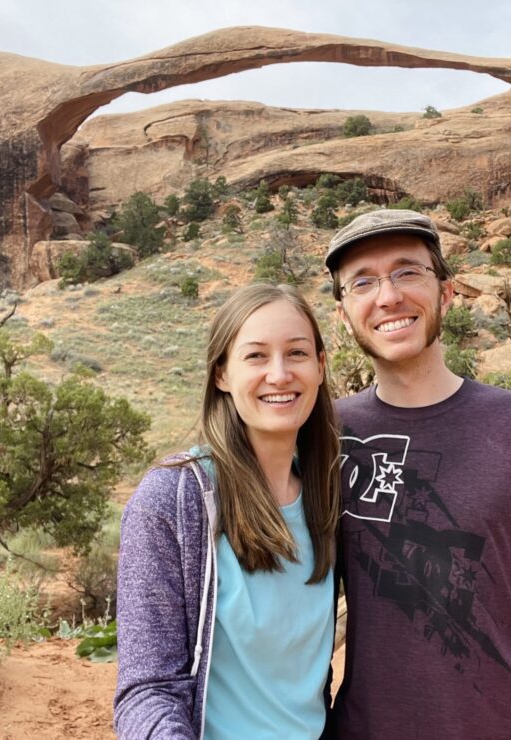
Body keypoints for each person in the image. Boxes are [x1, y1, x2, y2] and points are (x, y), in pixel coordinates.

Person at [325, 209, 511, 740]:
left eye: (407, 272)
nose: (388, 297)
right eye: (363, 283)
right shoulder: (326, 436)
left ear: (446, 292)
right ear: (344, 315)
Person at [114, 282, 341, 740]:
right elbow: (146, 691)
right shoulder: (174, 500)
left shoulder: (329, 492)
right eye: (255, 356)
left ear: (319, 367)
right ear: (221, 374)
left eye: (296, 353)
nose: (279, 375)